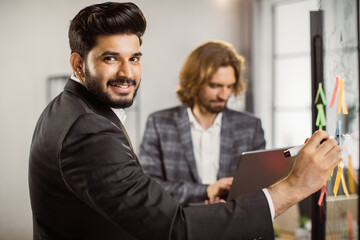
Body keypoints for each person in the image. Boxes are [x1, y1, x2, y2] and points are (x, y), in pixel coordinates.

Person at [28, 2, 341, 240]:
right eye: (111, 58)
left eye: (134, 58)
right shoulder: (89, 128)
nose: (127, 72)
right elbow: (173, 226)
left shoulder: (67, 109)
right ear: (78, 64)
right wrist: (296, 186)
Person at [139, 40, 265, 205]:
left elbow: (258, 187)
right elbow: (149, 187)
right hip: (180, 226)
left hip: (233, 225)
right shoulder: (159, 123)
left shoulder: (250, 127)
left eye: (229, 86)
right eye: (215, 86)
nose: (224, 95)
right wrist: (206, 191)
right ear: (194, 82)